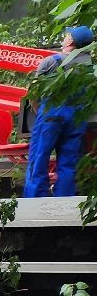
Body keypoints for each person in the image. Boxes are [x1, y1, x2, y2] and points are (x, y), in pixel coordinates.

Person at [25, 25, 94, 198]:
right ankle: (64, 201)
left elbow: (33, 93)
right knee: (69, 163)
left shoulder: (51, 61)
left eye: (66, 35)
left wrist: (41, 111)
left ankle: (35, 200)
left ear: (70, 40)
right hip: (77, 119)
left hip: (51, 116)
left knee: (39, 159)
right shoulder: (91, 68)